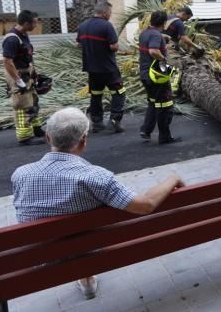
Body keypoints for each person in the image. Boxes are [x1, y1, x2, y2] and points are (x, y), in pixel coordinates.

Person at [11, 107, 185, 298]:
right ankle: (86, 276)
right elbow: (146, 205)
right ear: (84, 140)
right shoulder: (96, 177)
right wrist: (173, 179)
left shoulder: (21, 175)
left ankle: (84, 277)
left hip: (42, 258)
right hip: (90, 252)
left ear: (48, 138)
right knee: (83, 230)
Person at [77, 1, 126, 133]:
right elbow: (114, 46)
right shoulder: (106, 26)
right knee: (119, 93)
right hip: (108, 68)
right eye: (110, 13)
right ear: (104, 13)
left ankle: (97, 123)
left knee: (96, 94)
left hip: (91, 68)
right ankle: (115, 121)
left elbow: (78, 44)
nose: (110, 15)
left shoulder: (83, 26)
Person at [139, 10, 181, 144]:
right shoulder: (156, 35)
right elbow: (153, 51)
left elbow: (152, 39)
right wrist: (164, 60)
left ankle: (146, 130)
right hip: (156, 76)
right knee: (165, 105)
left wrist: (164, 37)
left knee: (153, 102)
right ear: (164, 23)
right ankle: (164, 137)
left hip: (145, 75)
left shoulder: (145, 33)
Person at [3, 10, 44, 145]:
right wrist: (18, 80)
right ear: (26, 23)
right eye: (34, 23)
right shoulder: (12, 39)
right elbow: (7, 62)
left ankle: (37, 129)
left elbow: (26, 55)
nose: (35, 26)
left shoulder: (23, 35)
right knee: (21, 104)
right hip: (18, 74)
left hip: (27, 72)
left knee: (32, 101)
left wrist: (35, 74)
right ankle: (25, 137)